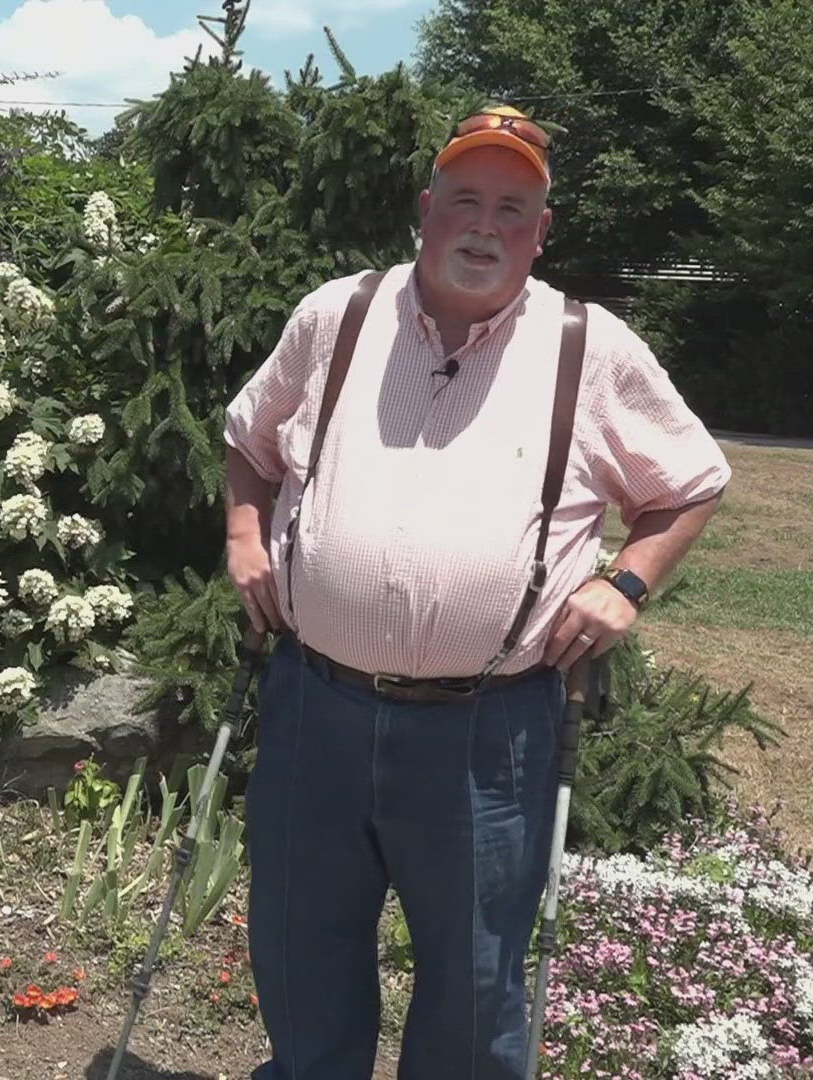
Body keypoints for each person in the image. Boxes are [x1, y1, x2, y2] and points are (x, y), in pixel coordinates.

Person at [220, 105, 731, 1078]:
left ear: (542, 231)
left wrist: (627, 584)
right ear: (428, 210)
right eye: (465, 200)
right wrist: (246, 534)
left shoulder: (590, 349)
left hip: (488, 731)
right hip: (313, 706)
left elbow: (693, 482)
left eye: (512, 206)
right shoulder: (341, 315)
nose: (484, 226)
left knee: (477, 981)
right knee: (299, 951)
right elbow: (251, 438)